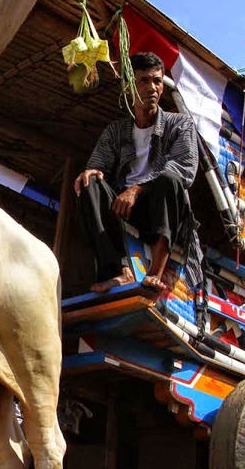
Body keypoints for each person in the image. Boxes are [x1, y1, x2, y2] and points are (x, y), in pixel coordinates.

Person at [73, 52, 202, 293]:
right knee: (90, 181)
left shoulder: (180, 124)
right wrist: (91, 173)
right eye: (144, 80)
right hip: (126, 209)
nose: (152, 88)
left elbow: (185, 169)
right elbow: (97, 166)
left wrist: (138, 189)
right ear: (129, 87)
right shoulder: (116, 131)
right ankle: (118, 270)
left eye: (157, 81)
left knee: (169, 179)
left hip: (163, 210)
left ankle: (156, 271)